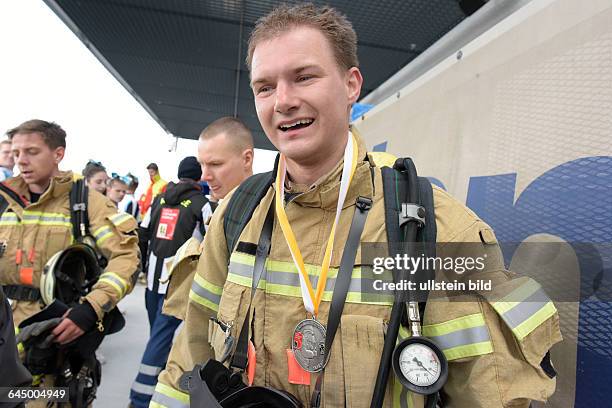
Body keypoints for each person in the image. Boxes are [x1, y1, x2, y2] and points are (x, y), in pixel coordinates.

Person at [153, 4, 561, 408]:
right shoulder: (237, 214)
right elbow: (190, 357)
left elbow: (488, 393)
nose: (283, 101)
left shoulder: (430, 229)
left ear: (351, 85)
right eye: (265, 87)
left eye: (304, 77)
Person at [0, 119, 140, 405]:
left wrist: (89, 310)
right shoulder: (3, 199)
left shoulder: (85, 203)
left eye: (31, 151)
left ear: (58, 154)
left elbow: (126, 256)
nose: (21, 161)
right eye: (16, 153)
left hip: (51, 340)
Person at [129, 157, 209, 408]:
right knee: (160, 340)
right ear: (199, 177)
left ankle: (153, 383)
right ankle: (141, 397)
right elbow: (215, 243)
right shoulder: (202, 204)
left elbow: (142, 232)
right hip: (177, 286)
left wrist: (142, 267)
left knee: (157, 336)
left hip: (152, 282)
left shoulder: (158, 199)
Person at [159, 116, 255, 322]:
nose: (204, 176)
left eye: (215, 164)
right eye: (202, 165)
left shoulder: (260, 213)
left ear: (247, 159)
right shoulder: (224, 209)